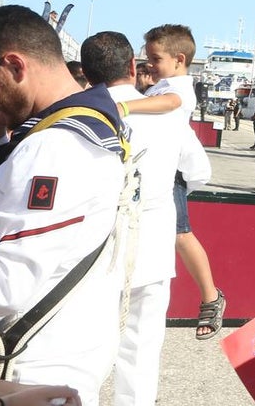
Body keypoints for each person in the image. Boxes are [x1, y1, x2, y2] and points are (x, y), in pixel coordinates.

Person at [0, 5, 130, 403]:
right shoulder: (80, 123)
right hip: (56, 356)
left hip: (25, 371)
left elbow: (3, 286)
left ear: (15, 65)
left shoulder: (53, 146)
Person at [81, 31, 182, 406]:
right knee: (141, 345)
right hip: (153, 241)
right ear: (131, 66)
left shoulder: (80, 113)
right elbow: (196, 170)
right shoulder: (170, 114)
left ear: (87, 74)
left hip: (97, 244)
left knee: (85, 343)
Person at [129, 24, 225, 342]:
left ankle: (211, 298)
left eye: (155, 59)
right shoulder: (162, 84)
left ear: (179, 59)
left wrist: (124, 105)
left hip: (173, 173)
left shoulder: (180, 89)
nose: (150, 65)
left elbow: (170, 103)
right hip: (157, 167)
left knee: (181, 236)